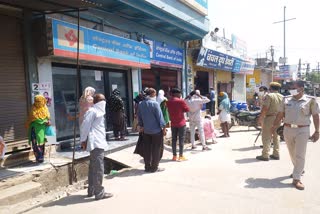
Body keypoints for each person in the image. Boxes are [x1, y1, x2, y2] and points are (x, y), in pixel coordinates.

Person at [272, 80, 320, 190]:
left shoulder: (310, 100)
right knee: (291, 152)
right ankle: (299, 169)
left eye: (294, 87)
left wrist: (317, 131)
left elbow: (316, 116)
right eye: (291, 88)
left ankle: (296, 178)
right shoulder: (286, 99)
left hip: (302, 130)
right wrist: (274, 126)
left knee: (300, 154)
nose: (291, 90)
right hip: (288, 129)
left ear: (302, 88)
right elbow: (280, 114)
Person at [80, 93, 113, 200]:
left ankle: (92, 190)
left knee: (93, 167)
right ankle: (99, 192)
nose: (103, 102)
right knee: (98, 168)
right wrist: (83, 140)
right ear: (96, 101)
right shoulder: (92, 111)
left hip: (99, 142)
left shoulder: (98, 112)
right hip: (95, 143)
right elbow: (85, 126)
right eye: (101, 100)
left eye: (104, 99)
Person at [138, 88, 166, 173]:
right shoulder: (155, 104)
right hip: (156, 131)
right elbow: (160, 118)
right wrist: (164, 128)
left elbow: (140, 117)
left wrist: (142, 126)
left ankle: (147, 167)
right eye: (155, 94)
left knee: (147, 149)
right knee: (156, 150)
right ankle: (154, 167)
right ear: (153, 94)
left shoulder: (141, 104)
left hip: (146, 131)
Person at [256, 82, 283, 161]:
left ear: (270, 88)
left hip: (269, 118)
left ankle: (265, 155)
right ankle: (276, 154)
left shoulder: (269, 96)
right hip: (279, 118)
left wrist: (260, 119)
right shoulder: (282, 96)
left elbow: (265, 108)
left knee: (266, 136)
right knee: (276, 136)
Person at [26, 95, 51, 163]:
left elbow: (48, 116)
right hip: (35, 129)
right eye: (36, 101)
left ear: (43, 101)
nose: (38, 103)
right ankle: (38, 158)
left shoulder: (45, 108)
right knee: (35, 143)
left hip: (42, 129)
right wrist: (44, 121)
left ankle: (41, 157)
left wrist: (48, 121)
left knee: (42, 143)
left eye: (40, 101)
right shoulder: (33, 109)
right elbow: (35, 118)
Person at [167, 88, 190, 161]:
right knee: (181, 139)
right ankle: (181, 156)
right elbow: (187, 109)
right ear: (176, 94)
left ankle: (174, 156)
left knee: (174, 139)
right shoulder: (180, 101)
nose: (180, 95)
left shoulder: (168, 102)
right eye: (179, 93)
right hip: (181, 123)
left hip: (173, 123)